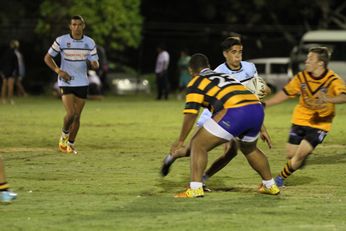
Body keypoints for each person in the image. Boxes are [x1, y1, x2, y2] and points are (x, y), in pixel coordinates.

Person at [161, 37, 271, 190]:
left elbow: (191, 113)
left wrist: (180, 139)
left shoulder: (247, 68)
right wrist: (260, 126)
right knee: (245, 149)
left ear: (191, 71)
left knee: (198, 145)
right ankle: (270, 185)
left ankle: (196, 186)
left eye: (240, 52)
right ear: (224, 55)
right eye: (234, 52)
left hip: (232, 113)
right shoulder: (221, 73)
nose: (238, 55)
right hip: (245, 111)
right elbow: (248, 99)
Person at [264, 47, 346, 187]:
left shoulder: (333, 79)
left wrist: (328, 99)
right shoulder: (301, 77)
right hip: (300, 119)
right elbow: (285, 93)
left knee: (300, 155)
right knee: (291, 155)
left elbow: (344, 96)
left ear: (320, 63)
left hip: (320, 123)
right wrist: (266, 104)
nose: (306, 61)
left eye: (310, 59)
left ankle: (279, 180)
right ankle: (299, 159)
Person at [44, 15, 99, 154]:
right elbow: (47, 57)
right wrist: (58, 70)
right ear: (70, 26)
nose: (76, 27)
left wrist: (94, 64)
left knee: (77, 116)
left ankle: (70, 144)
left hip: (82, 82)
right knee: (71, 113)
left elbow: (95, 63)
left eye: (79, 24)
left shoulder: (90, 42)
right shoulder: (61, 40)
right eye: (74, 24)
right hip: (66, 81)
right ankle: (63, 137)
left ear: (83, 26)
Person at [0, 40, 20, 104]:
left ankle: (3, 99)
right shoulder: (14, 54)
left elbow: (1, 62)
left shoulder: (5, 53)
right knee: (10, 86)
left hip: (5, 71)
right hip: (11, 71)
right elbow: (16, 65)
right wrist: (17, 73)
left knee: (4, 85)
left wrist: (1, 71)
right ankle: (10, 99)